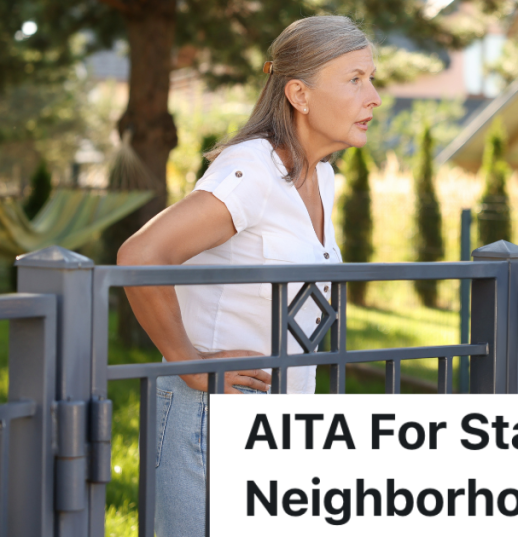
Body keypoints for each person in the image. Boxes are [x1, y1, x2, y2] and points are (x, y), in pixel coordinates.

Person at [116, 15, 380, 535]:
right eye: (355, 79)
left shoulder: (322, 176)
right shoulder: (252, 169)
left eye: (371, 79)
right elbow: (142, 253)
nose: (372, 97)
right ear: (299, 94)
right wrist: (188, 363)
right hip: (214, 416)